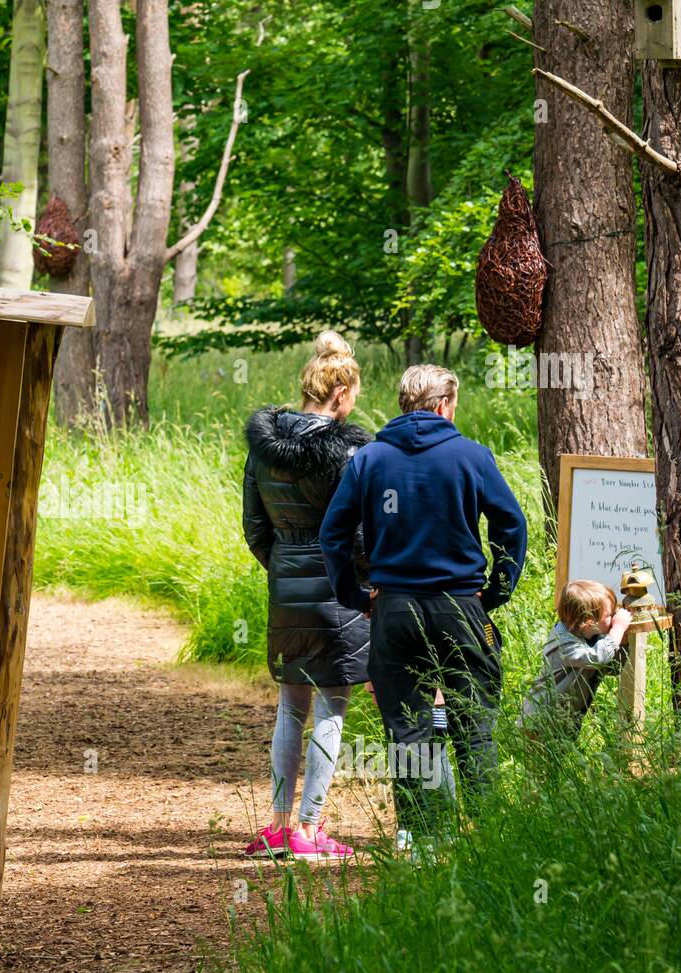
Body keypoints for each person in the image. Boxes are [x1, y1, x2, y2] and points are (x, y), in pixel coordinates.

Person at [319, 364, 528, 847]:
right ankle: (487, 836)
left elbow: (332, 535)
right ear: (443, 406)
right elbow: (512, 528)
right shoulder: (472, 457)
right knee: (473, 723)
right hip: (460, 606)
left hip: (393, 608)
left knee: (409, 729)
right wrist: (495, 592)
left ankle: (417, 838)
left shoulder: (370, 459)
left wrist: (355, 595)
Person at [241, 331, 372, 861]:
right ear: (340, 394)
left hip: (286, 590)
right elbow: (358, 533)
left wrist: (284, 568)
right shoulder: (349, 451)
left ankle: (276, 827)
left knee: (290, 708)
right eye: (354, 396)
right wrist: (361, 581)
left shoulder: (262, 450)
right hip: (338, 592)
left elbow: (255, 529)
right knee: (332, 709)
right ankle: (311, 830)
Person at [520, 579, 632, 738]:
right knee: (543, 762)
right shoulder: (565, 644)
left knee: (559, 760)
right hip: (540, 721)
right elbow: (598, 657)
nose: (614, 618)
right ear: (588, 622)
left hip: (563, 719)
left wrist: (624, 640)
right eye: (610, 614)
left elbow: (611, 667)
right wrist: (618, 628)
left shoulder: (588, 635)